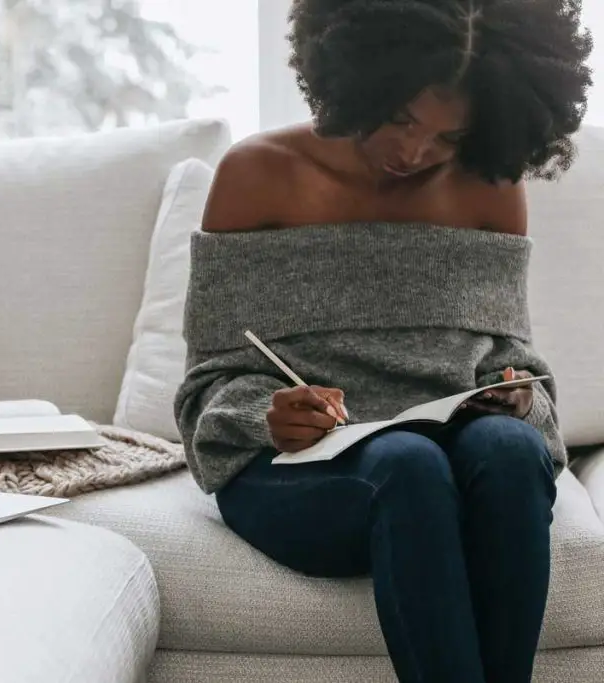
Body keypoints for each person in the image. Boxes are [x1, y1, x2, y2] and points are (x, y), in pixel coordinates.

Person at [174, 1, 593, 682]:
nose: (414, 151)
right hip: (298, 472)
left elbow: (515, 366)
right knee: (407, 461)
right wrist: (267, 414)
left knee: (511, 449)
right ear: (357, 74)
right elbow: (208, 386)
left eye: (449, 137)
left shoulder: (489, 190)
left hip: (451, 453)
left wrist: (517, 398)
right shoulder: (259, 175)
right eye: (400, 117)